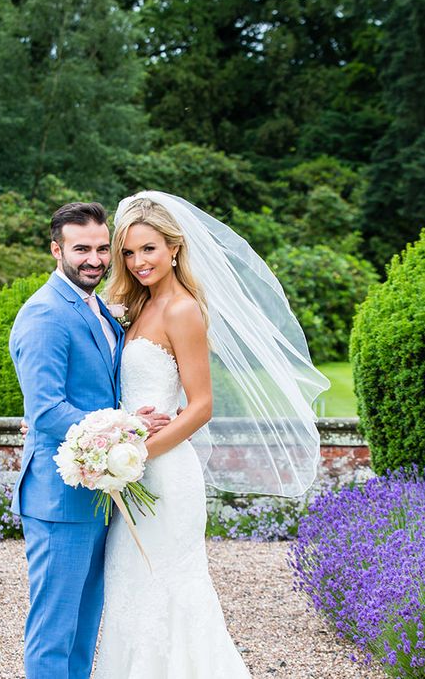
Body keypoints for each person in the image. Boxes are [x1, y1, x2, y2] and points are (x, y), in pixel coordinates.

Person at [93, 191, 329, 677]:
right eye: (130, 252)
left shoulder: (182, 309)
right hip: (132, 468)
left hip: (162, 472)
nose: (138, 262)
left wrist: (134, 455)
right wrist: (116, 440)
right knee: (128, 583)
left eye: (149, 249)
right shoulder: (136, 308)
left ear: (174, 248)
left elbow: (201, 406)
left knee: (170, 587)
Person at [8, 201, 169, 679]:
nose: (94, 259)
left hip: (97, 490)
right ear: (56, 249)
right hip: (59, 498)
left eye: (102, 248)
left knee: (84, 626)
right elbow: (47, 410)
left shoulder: (96, 306)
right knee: (55, 628)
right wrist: (129, 429)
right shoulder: (44, 315)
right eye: (81, 249)